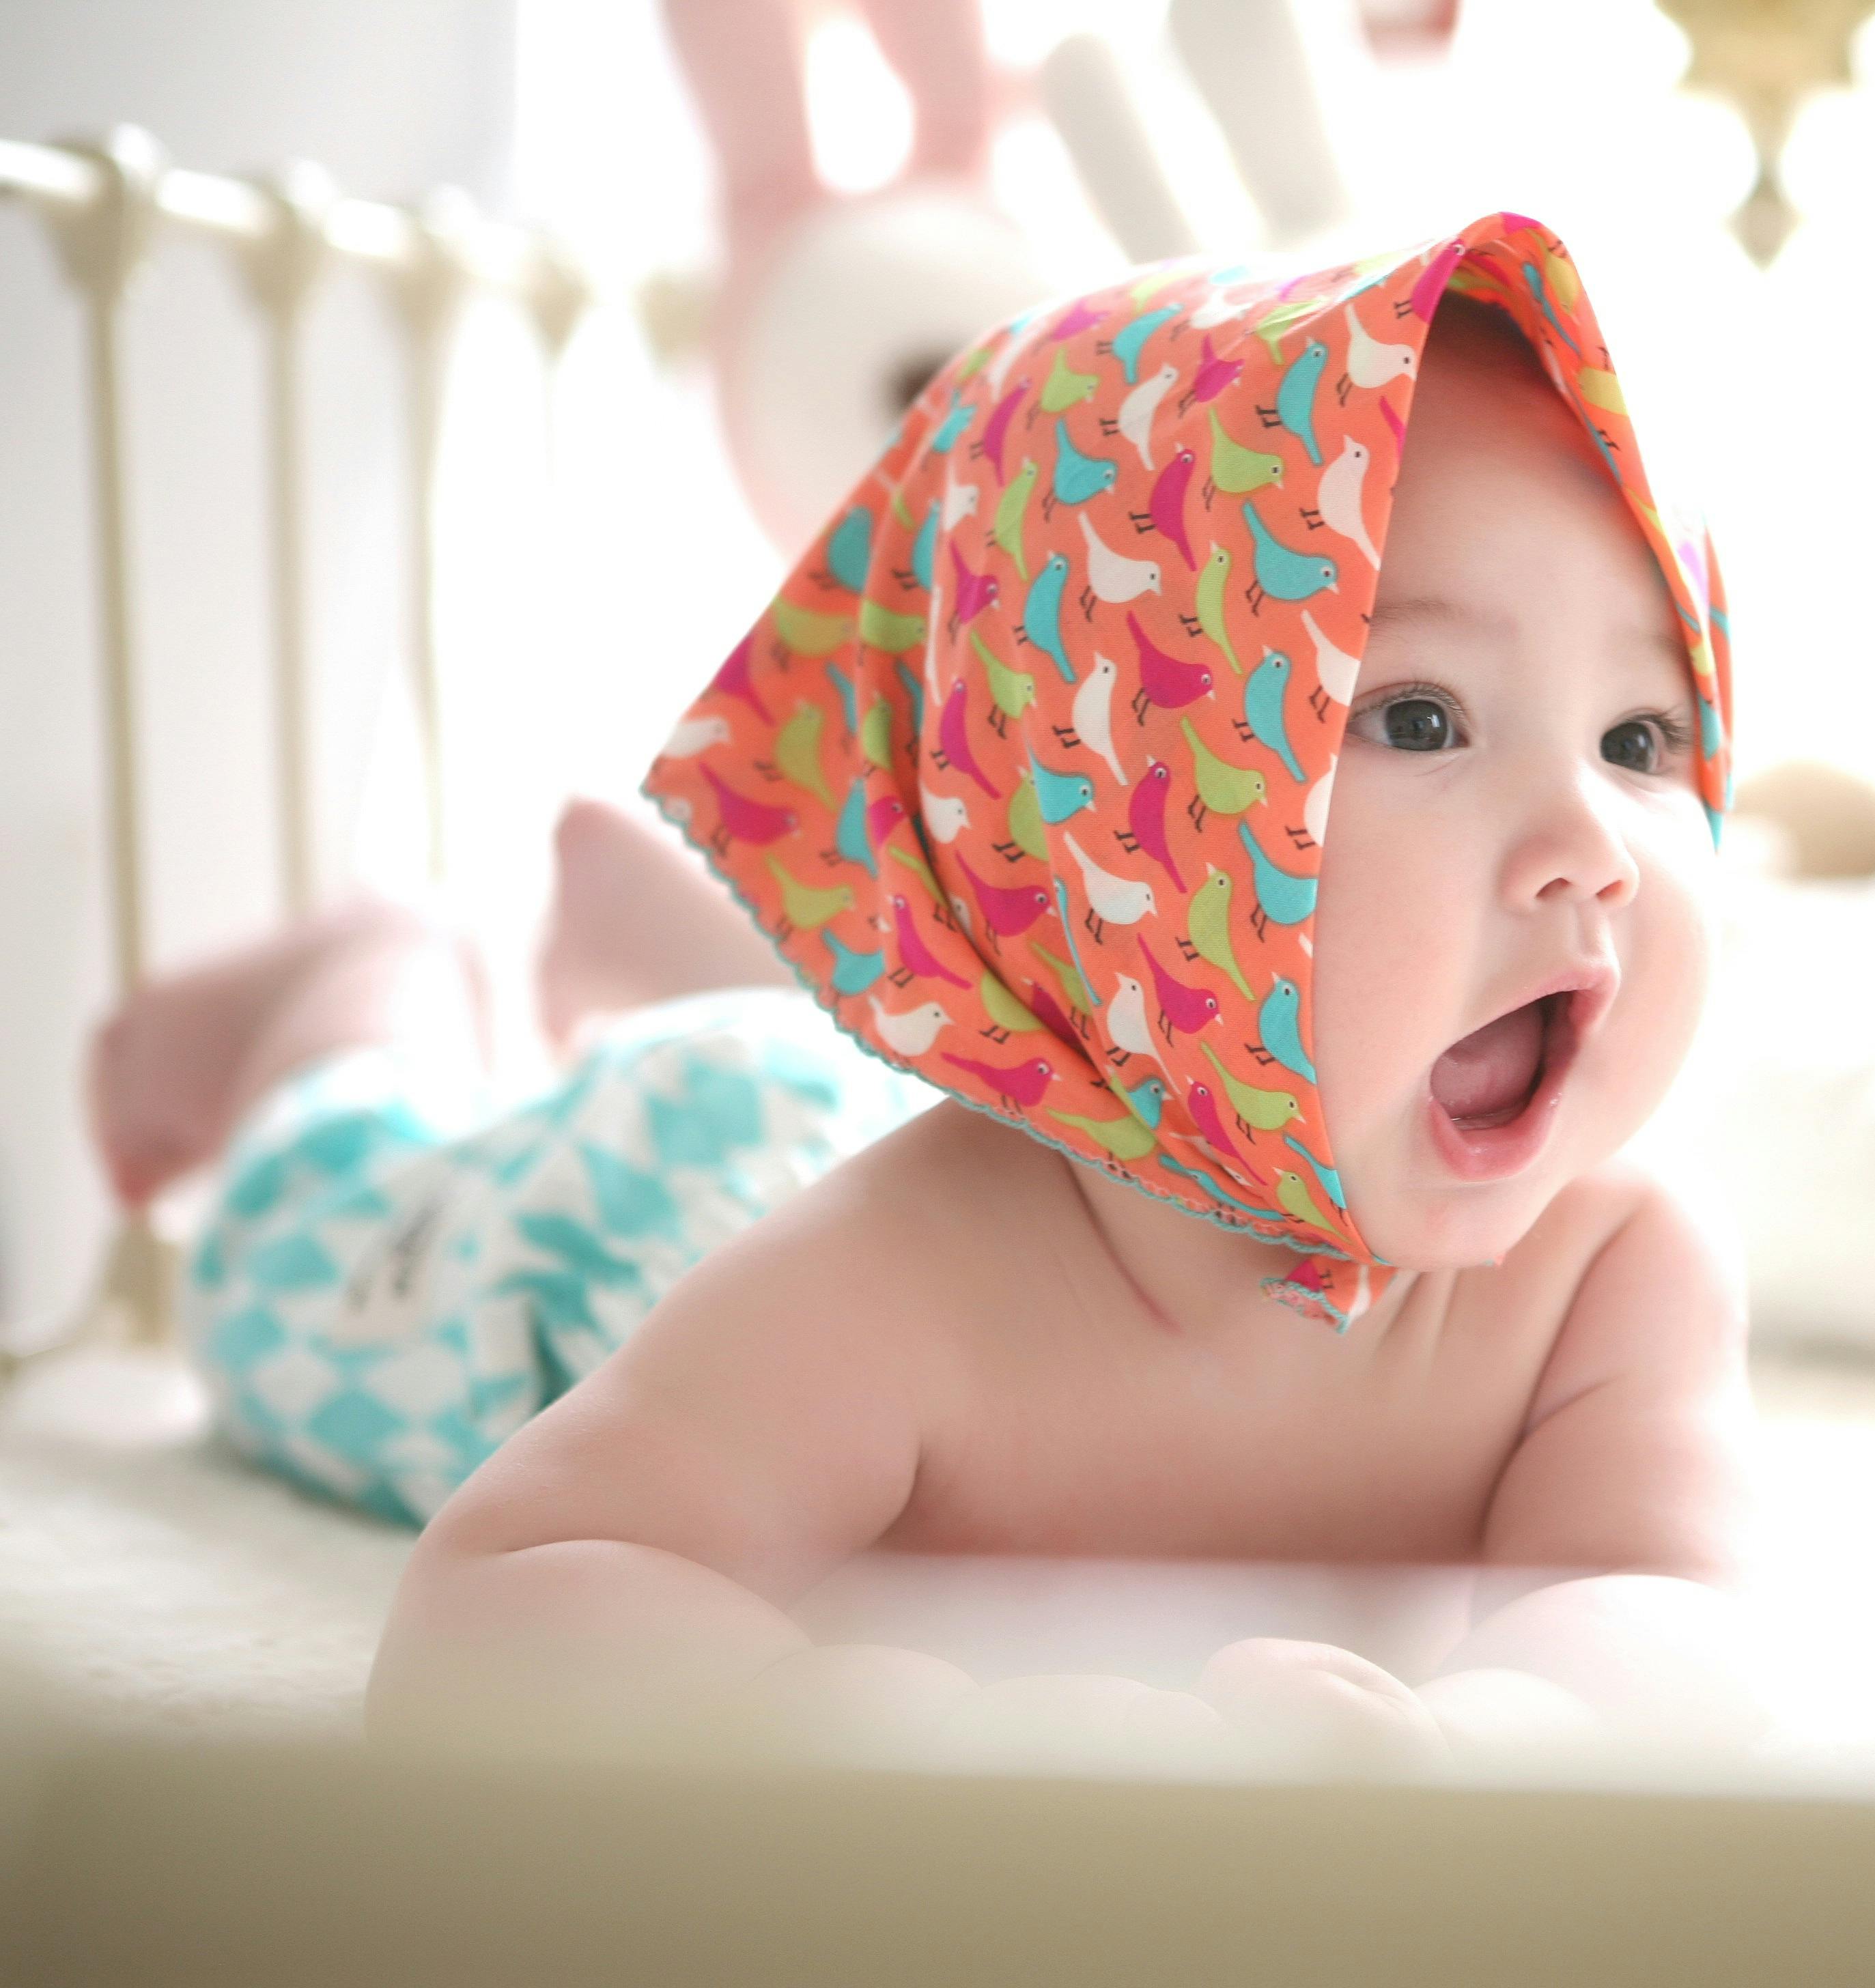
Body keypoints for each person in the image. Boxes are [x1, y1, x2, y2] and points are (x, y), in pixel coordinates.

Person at [95, 216, 1749, 1760]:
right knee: (313, 1221)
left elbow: (1661, 1606)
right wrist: (931, 1734)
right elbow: (491, 1607)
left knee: (918, 1044)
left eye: (1639, 738)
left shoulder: (1611, 1270)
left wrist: (1503, 1740)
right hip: (652, 1184)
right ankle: (360, 980)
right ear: (1121, 819)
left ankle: (661, 933)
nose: (1591, 845)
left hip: (1020, 1070)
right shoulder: (910, 1280)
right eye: (1420, 719)